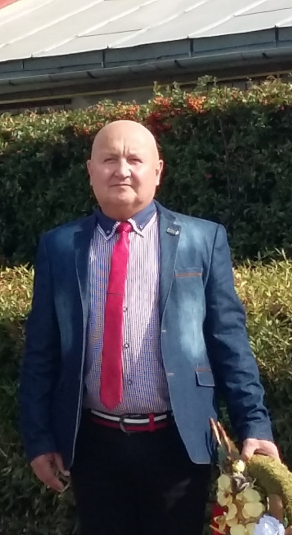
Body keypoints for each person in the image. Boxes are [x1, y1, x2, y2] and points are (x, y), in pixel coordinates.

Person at [19, 120, 279, 535]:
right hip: (93, 444)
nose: (121, 170)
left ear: (158, 170)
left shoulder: (201, 239)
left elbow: (229, 341)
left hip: (177, 443)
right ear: (90, 171)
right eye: (109, 159)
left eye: (134, 159)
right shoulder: (60, 246)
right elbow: (41, 351)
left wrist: (255, 426)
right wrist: (39, 439)